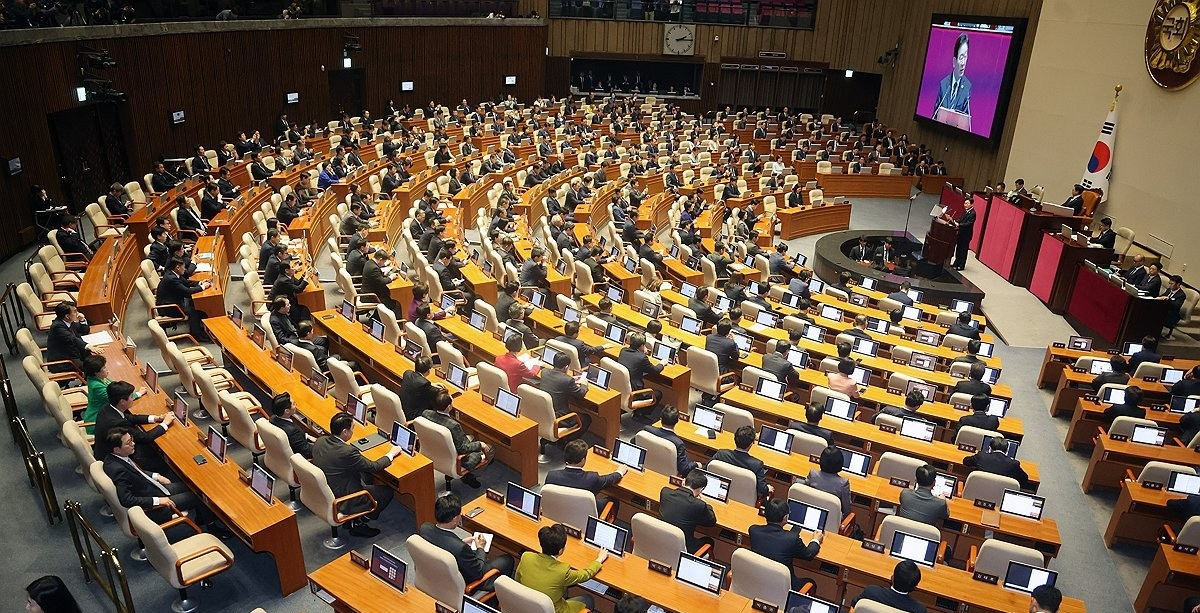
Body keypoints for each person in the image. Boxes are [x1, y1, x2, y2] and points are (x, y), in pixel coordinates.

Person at [312, 412, 404, 537]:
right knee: (387, 492)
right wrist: (391, 454)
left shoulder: (320, 441)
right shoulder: (348, 452)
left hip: (329, 487)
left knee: (366, 476)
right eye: (352, 429)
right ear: (345, 432)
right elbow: (374, 467)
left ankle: (357, 517)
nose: (353, 431)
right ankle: (360, 521)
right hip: (345, 496)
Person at [102, 427, 216, 526]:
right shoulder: (117, 469)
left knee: (194, 485)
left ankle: (202, 517)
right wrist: (157, 501)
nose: (133, 443)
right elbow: (126, 500)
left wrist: (156, 476)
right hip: (155, 506)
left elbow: (135, 472)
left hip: (154, 488)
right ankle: (212, 526)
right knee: (199, 496)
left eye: (131, 439)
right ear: (117, 449)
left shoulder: (113, 458)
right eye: (128, 443)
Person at [419, 493, 515, 591]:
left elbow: (442, 543)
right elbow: (478, 572)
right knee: (507, 560)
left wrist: (460, 542)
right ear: (454, 519)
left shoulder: (424, 528)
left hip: (437, 573)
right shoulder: (460, 548)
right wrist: (480, 548)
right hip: (464, 579)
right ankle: (496, 594)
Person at [515, 523, 607, 613]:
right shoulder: (562, 571)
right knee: (588, 599)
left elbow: (517, 581)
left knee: (563, 590)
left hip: (525, 605)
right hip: (554, 610)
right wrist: (599, 559)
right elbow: (585, 574)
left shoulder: (526, 557)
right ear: (560, 550)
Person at [92, 381, 172, 472]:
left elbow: (130, 418)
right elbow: (145, 437)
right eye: (131, 396)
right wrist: (165, 424)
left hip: (105, 449)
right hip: (113, 459)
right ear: (122, 401)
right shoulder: (117, 423)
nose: (133, 398)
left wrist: (156, 418)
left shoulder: (107, 408)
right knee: (162, 460)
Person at [748, 498, 823, 590]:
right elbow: (808, 555)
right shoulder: (792, 539)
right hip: (782, 586)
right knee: (811, 583)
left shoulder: (753, 530)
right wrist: (816, 540)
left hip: (757, 579)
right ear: (785, 518)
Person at [422, 392, 492, 488]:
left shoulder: (426, 414)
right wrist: (480, 444)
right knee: (490, 449)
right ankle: (469, 476)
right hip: (457, 458)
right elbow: (463, 448)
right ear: (448, 407)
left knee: (471, 437)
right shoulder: (453, 425)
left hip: (435, 451)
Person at [546, 439, 626, 515]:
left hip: (558, 512)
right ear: (583, 460)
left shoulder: (551, 476)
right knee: (614, 500)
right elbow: (608, 480)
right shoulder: (591, 478)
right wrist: (619, 472)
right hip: (583, 513)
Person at [659, 469, 718, 553]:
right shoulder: (699, 505)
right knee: (708, 541)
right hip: (683, 547)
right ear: (701, 490)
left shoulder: (665, 492)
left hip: (660, 539)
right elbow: (711, 522)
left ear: (684, 481)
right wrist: (706, 503)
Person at [158, 257, 212, 342]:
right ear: (178, 267)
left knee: (194, 305)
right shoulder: (171, 279)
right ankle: (197, 335)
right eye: (183, 267)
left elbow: (186, 282)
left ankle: (200, 329)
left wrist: (200, 282)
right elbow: (187, 292)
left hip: (173, 302)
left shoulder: (172, 273)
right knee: (194, 311)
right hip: (169, 308)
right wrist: (203, 287)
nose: (185, 269)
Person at [538, 352, 592, 437]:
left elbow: (558, 381)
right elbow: (580, 394)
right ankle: (566, 441)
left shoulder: (544, 372)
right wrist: (584, 384)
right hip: (559, 416)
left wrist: (571, 379)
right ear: (566, 367)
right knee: (586, 418)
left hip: (544, 413)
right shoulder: (567, 381)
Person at [713, 426, 773, 498]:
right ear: (752, 443)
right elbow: (762, 489)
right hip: (744, 498)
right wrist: (768, 488)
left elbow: (706, 468)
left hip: (719, 493)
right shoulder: (757, 465)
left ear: (734, 439)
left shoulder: (721, 454)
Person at [617, 332, 664, 419]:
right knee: (658, 394)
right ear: (642, 345)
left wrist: (642, 353)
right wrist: (662, 363)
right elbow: (655, 370)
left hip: (620, 388)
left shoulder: (623, 351)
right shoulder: (642, 358)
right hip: (634, 392)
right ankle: (639, 414)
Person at [640, 406, 698, 476]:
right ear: (677, 421)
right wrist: (696, 464)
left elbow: (633, 442)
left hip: (646, 467)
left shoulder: (647, 429)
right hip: (667, 475)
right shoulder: (678, 443)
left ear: (660, 419)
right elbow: (684, 470)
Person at [852, 560, 927, 613]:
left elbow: (854, 603)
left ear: (892, 578)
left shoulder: (871, 592)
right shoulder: (919, 610)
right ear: (915, 587)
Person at [963, 435, 1030, 490]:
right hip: (1000, 497)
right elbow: (1024, 479)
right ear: (1006, 451)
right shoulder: (1013, 464)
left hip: (976, 490)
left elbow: (965, 461)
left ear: (990, 448)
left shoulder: (981, 456)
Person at [47, 302, 96, 371]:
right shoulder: (58, 327)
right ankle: (89, 380)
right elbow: (72, 339)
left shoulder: (68, 321)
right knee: (92, 367)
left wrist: (82, 320)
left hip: (72, 352)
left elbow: (84, 331)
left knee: (93, 358)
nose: (78, 313)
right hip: (63, 361)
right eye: (75, 312)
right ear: (67, 316)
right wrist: (88, 346)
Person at [806, 445, 851, 516]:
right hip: (831, 519)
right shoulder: (843, 484)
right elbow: (847, 510)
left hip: (810, 512)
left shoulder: (813, 474)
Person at [269, 392, 312, 458]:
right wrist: (320, 444)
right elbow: (307, 451)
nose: (296, 405)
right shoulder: (292, 431)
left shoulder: (272, 419)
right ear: (287, 411)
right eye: (294, 404)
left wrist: (307, 436)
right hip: (297, 455)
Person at [400, 357, 441, 421]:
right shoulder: (424, 384)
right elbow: (437, 392)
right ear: (428, 371)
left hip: (402, 408)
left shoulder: (407, 373)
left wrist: (431, 384)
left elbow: (418, 382)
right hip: (412, 415)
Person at [81, 354, 112, 435]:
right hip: (96, 422)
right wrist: (137, 394)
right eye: (104, 368)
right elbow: (117, 398)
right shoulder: (97, 386)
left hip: (102, 414)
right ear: (96, 373)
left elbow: (111, 384)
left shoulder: (95, 378)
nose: (106, 369)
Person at [950, 197, 976, 270]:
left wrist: (959, 225)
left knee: (963, 250)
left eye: (967, 203)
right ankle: (956, 262)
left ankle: (961, 265)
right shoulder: (965, 211)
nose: (965, 205)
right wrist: (955, 221)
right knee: (958, 249)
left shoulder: (973, 213)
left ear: (971, 204)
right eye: (965, 203)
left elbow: (968, 224)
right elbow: (961, 220)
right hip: (960, 234)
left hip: (966, 235)